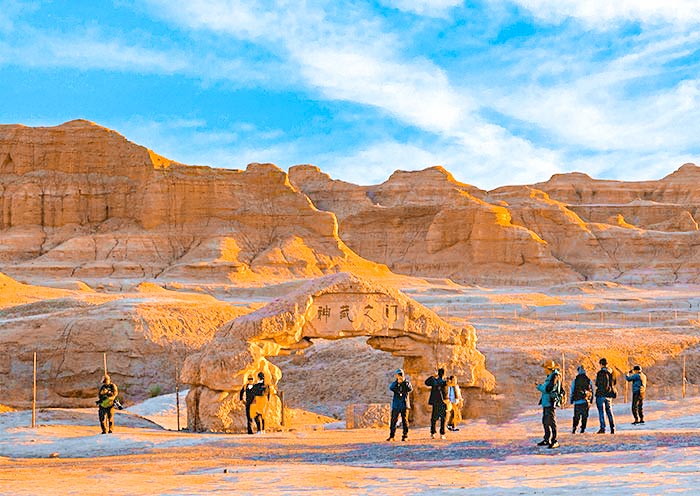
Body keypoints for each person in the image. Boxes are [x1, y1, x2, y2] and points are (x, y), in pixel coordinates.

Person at [536, 360, 562, 449]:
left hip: (550, 403)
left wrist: (539, 386)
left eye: (545, 368)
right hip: (546, 403)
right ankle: (547, 439)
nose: (544, 370)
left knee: (551, 422)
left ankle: (555, 440)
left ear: (549, 368)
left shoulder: (554, 376)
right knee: (545, 422)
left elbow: (548, 389)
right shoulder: (550, 376)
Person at [387, 369, 413, 441]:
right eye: (399, 375)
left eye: (401, 374)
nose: (400, 376)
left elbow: (410, 388)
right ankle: (392, 436)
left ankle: (405, 436)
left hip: (404, 405)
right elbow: (391, 387)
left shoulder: (406, 382)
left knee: (405, 421)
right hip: (396, 405)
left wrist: (403, 381)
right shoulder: (395, 383)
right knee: (393, 420)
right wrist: (397, 382)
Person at [595, 357, 617, 434]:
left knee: (601, 412)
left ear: (601, 364)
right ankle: (613, 428)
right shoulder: (613, 373)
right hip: (609, 394)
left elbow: (597, 384)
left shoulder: (600, 373)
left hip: (601, 394)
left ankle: (602, 428)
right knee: (609, 411)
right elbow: (614, 383)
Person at [425, 368, 448, 439]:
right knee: (443, 418)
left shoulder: (434, 380)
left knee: (434, 418)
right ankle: (442, 434)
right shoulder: (445, 382)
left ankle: (433, 433)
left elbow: (426, 382)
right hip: (443, 402)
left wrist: (433, 376)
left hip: (435, 402)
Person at [570, 365, 593, 434]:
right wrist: (591, 400)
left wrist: (571, 399)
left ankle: (574, 428)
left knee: (576, 416)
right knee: (584, 416)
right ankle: (583, 429)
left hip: (577, 402)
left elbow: (572, 390)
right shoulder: (588, 380)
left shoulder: (575, 380)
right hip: (585, 401)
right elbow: (592, 390)